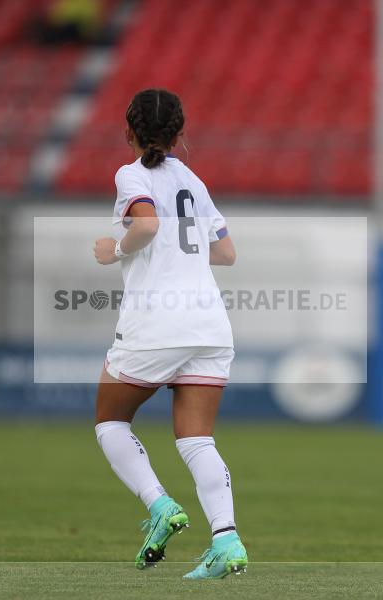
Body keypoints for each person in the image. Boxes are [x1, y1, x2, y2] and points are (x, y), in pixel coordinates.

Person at [92, 89, 248, 579]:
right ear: (181, 135)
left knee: (111, 423)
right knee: (197, 440)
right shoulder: (193, 181)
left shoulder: (131, 174)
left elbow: (148, 224)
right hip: (209, 324)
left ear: (128, 130)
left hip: (157, 322)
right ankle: (226, 540)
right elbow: (226, 254)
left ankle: (159, 505)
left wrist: (114, 250)